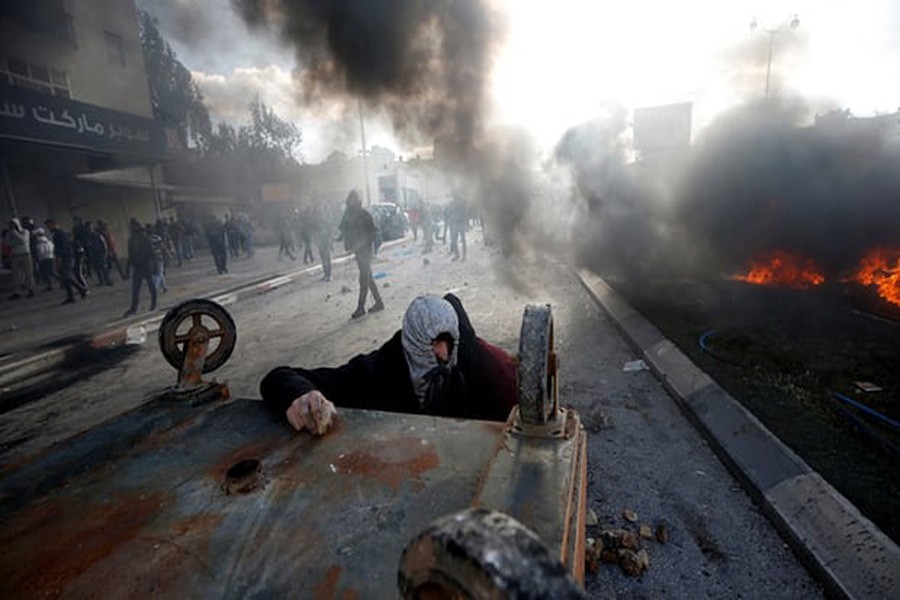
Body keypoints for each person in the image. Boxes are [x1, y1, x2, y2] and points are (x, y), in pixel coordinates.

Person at [260, 293, 517, 435]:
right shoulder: (379, 371)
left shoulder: (478, 364)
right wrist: (302, 395)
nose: (443, 353)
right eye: (435, 341)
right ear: (413, 340)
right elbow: (280, 376)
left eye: (449, 341)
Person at [337, 190, 384, 319]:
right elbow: (343, 228)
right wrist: (339, 238)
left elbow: (373, 232)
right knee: (368, 278)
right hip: (357, 251)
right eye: (350, 199)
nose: (351, 201)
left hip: (365, 250)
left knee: (364, 278)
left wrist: (361, 243)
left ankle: (360, 307)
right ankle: (379, 302)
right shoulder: (348, 213)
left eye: (353, 199)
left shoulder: (364, 214)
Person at [46, 219, 88, 304]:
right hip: (66, 257)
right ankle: (71, 295)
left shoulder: (59, 234)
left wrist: (59, 259)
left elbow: (62, 248)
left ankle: (81, 289)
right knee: (65, 277)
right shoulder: (58, 234)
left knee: (66, 276)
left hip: (66, 257)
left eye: (49, 226)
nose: (48, 228)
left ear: (54, 224)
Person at [124, 219, 157, 316]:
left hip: (145, 266)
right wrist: (127, 268)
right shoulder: (132, 240)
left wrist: (154, 266)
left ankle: (152, 304)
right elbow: (130, 256)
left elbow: (152, 253)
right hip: (139, 267)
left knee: (149, 286)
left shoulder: (144, 239)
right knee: (137, 289)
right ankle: (134, 308)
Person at [5, 217, 35, 298]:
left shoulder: (25, 231)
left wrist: (14, 234)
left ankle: (30, 289)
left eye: (13, 224)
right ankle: (17, 292)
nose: (12, 226)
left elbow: (22, 240)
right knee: (15, 275)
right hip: (15, 255)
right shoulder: (10, 233)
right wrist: (12, 235)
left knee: (28, 273)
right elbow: (7, 243)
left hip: (25, 254)